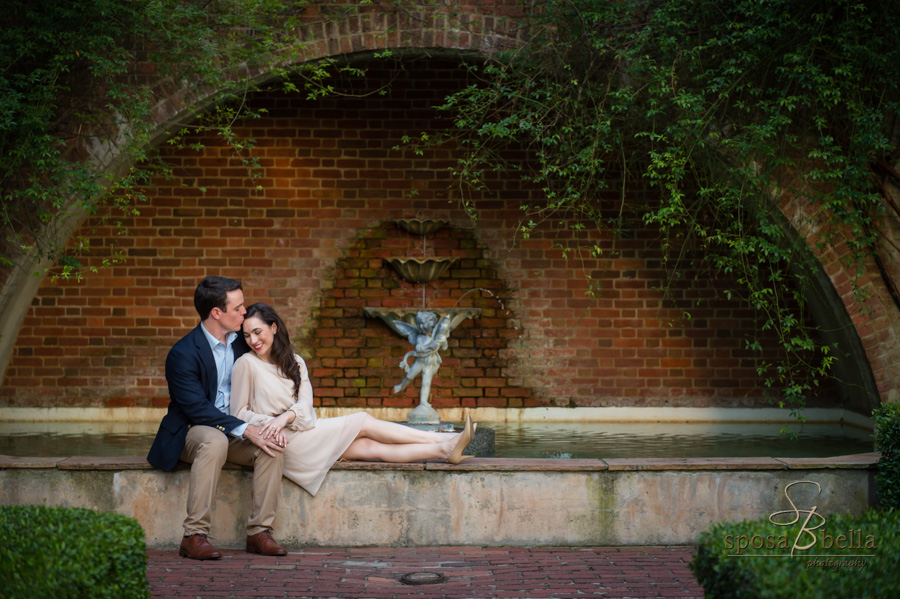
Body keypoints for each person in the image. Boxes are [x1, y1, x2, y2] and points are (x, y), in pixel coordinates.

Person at [231, 302, 476, 497]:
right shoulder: (246, 364)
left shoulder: (295, 362)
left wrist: (286, 417)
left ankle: (443, 449)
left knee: (370, 448)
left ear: (273, 327)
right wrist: (272, 423)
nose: (253, 340)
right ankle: (444, 438)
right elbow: (238, 413)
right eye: (247, 335)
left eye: (257, 332)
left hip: (302, 432)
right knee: (363, 421)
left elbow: (306, 410)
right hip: (280, 441)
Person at [147, 277, 288, 560]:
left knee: (270, 446)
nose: (244, 313)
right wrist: (246, 429)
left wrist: (281, 418)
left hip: (233, 429)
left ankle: (259, 533)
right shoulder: (183, 353)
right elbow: (197, 408)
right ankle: (193, 535)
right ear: (216, 313)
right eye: (238, 308)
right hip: (192, 430)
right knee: (213, 440)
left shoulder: (243, 343)